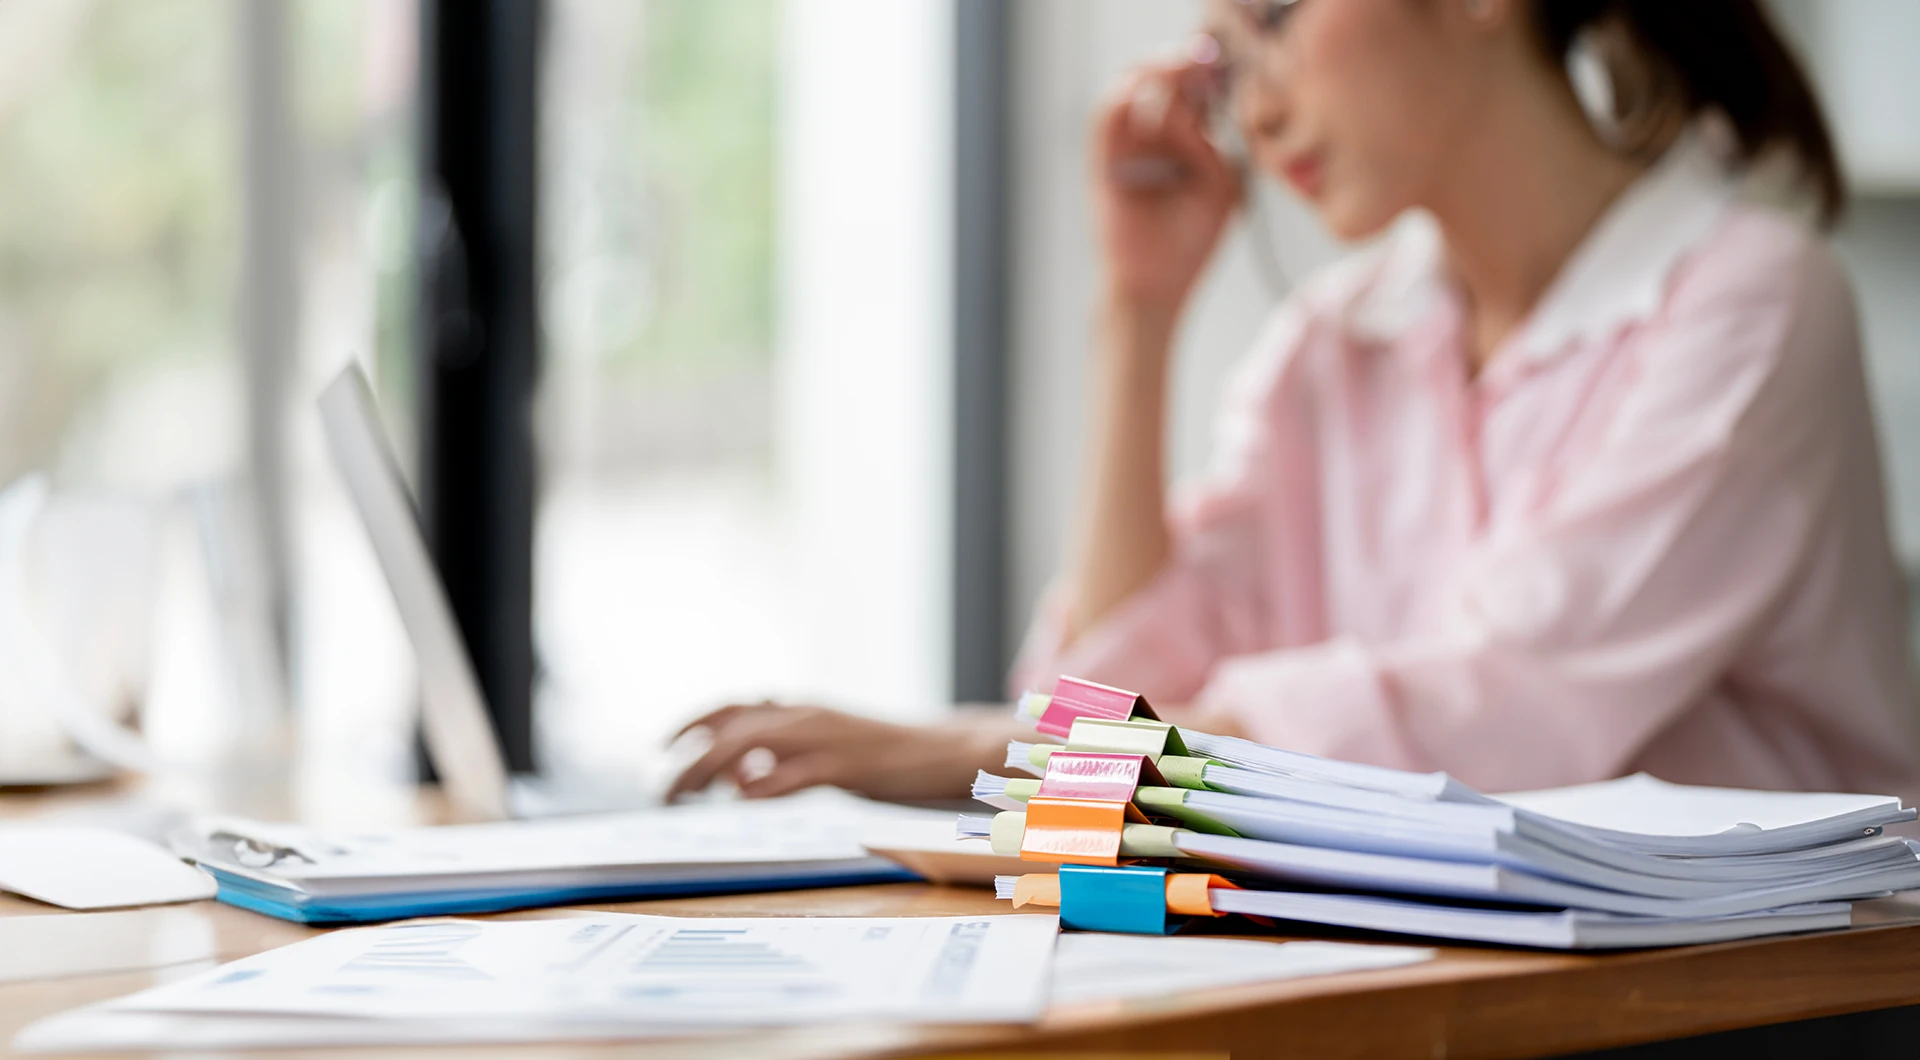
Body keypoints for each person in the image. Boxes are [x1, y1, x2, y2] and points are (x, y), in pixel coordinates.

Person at [666, 0, 1920, 805]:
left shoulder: (1750, 300)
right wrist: (1138, 314)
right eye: (1229, 64)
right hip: (1454, 979)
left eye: (1277, 16)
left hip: (1754, 1003)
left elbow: (1503, 699)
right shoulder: (1336, 343)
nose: (1256, 111)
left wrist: (983, 751)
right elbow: (1113, 688)